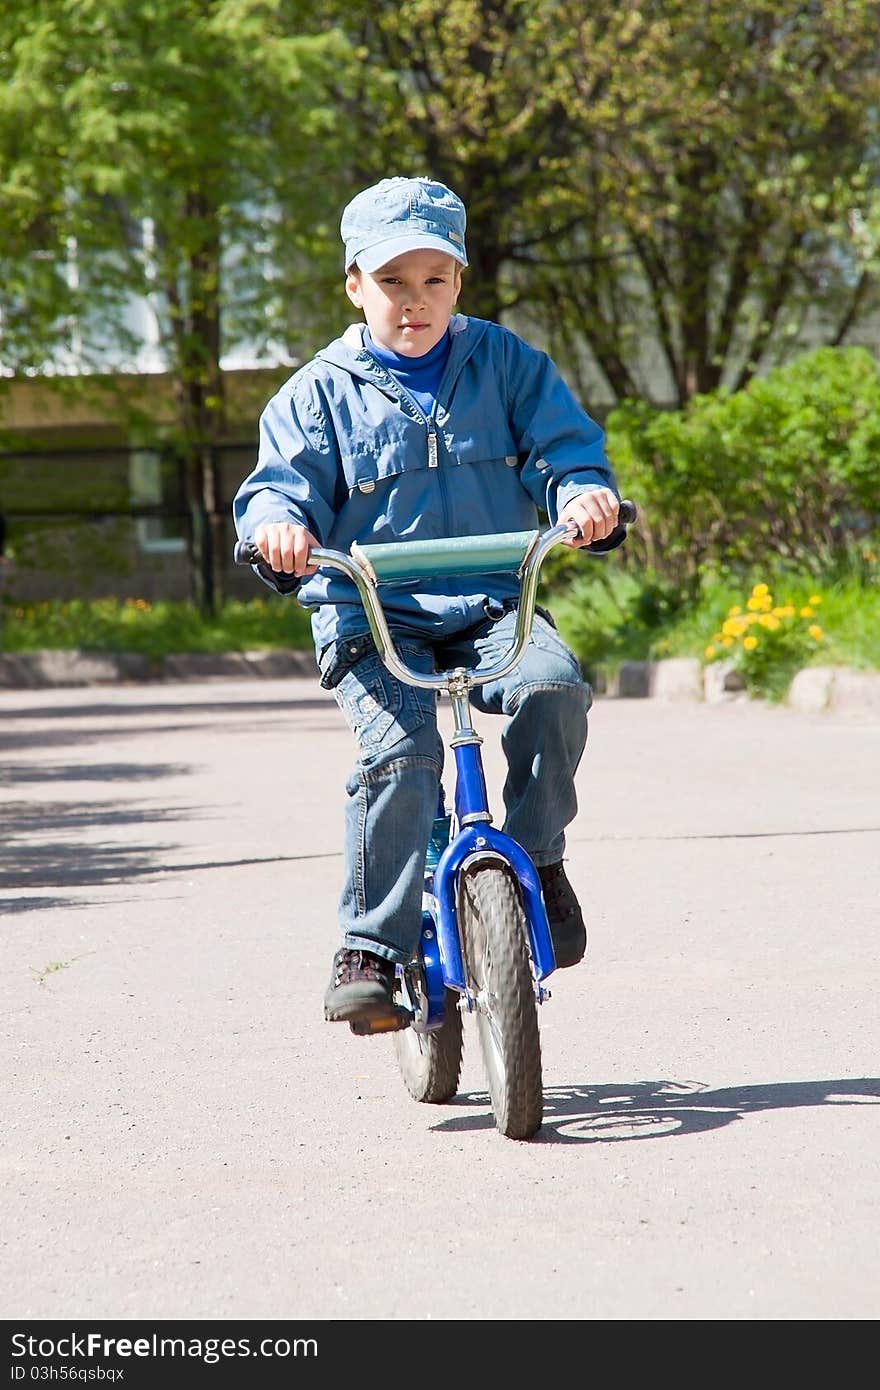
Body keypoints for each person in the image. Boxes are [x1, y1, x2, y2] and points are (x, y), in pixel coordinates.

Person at [233, 175, 625, 1032]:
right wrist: (279, 531)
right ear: (354, 285)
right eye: (392, 283)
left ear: (459, 282)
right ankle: (368, 944)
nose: (415, 302)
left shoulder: (508, 365)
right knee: (401, 753)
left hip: (492, 606)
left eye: (434, 281)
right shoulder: (317, 394)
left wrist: (583, 495)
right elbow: (275, 492)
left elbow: (566, 452)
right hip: (373, 617)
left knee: (553, 691)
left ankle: (539, 860)